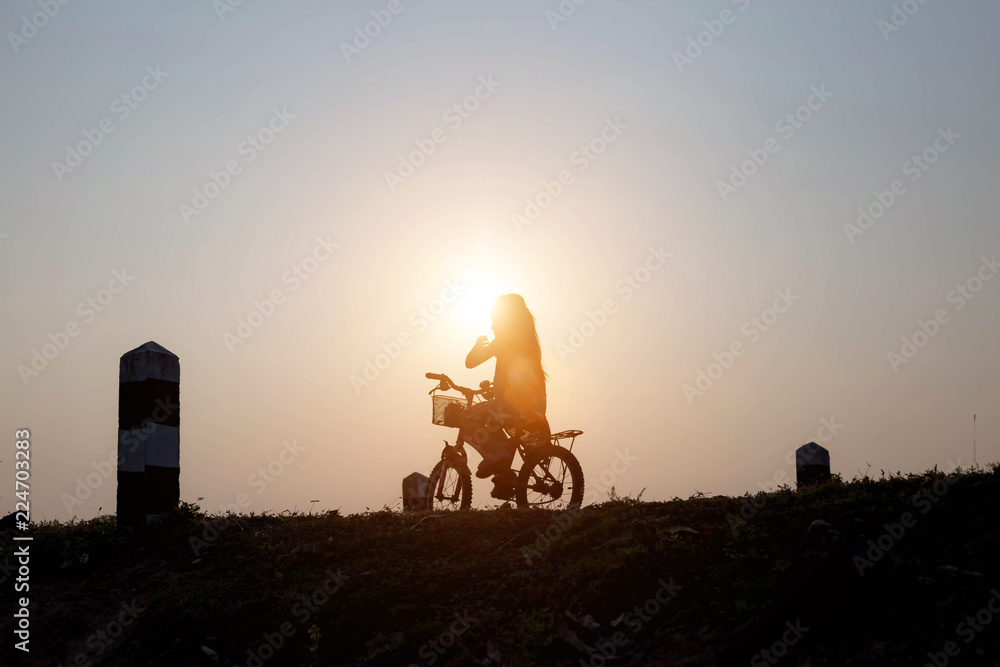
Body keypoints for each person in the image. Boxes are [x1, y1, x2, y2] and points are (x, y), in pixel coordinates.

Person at [459, 294, 550, 499]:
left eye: (494, 319)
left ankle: (498, 457)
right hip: (533, 407)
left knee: (468, 416)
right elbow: (518, 377)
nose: (492, 326)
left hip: (512, 407)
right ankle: (504, 476)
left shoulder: (506, 338)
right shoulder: (528, 339)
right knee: (495, 431)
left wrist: (477, 346)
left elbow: (470, 362)